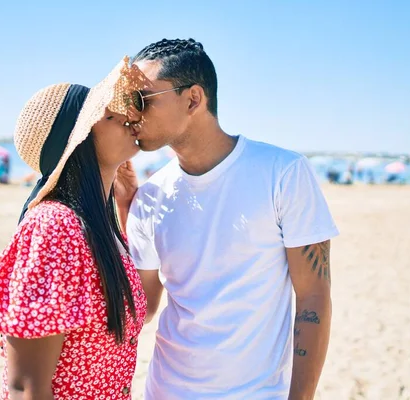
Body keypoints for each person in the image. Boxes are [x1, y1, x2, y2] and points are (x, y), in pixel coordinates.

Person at [125, 39, 339, 399]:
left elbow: (314, 297)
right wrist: (120, 210)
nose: (132, 113)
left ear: (193, 98)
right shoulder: (149, 195)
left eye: (143, 100)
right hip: (165, 391)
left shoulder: (282, 173)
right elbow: (141, 310)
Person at [0, 57, 148, 399]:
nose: (126, 117)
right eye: (108, 115)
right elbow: (25, 387)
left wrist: (126, 204)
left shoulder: (101, 227)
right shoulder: (55, 227)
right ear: (80, 143)